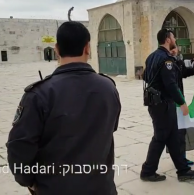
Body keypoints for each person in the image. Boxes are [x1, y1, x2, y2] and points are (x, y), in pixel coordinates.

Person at [6, 21, 121, 195]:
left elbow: (19, 147)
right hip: (101, 187)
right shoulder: (108, 87)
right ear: (87, 48)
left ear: (57, 50)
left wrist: (29, 181)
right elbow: (110, 128)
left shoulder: (39, 94)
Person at [141, 28, 194, 182]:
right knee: (160, 137)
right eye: (173, 37)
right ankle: (147, 171)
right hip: (163, 104)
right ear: (168, 39)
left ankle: (183, 170)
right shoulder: (166, 59)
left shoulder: (152, 57)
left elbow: (149, 77)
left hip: (156, 103)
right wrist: (181, 102)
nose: (175, 39)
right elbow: (170, 84)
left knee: (173, 137)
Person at [169, 46, 194, 166]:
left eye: (175, 48)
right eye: (172, 48)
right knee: (166, 134)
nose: (174, 50)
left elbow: (184, 72)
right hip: (170, 103)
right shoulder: (165, 62)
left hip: (178, 101)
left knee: (181, 131)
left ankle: (181, 158)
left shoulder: (177, 61)